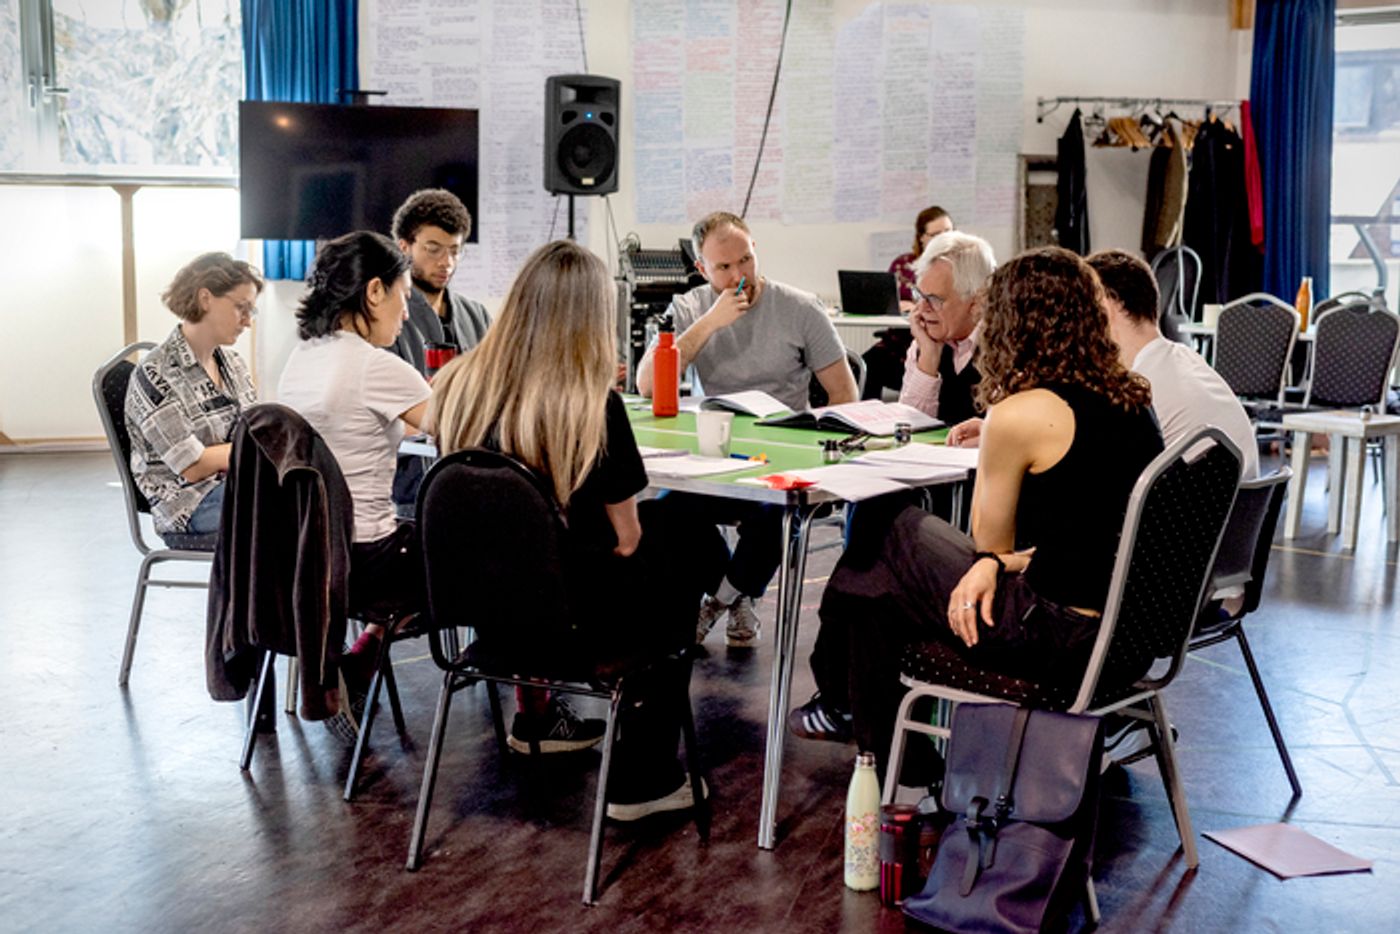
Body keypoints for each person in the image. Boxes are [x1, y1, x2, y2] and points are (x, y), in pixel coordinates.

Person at [792, 248, 1164, 786]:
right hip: (1126, 636)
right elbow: (1091, 531)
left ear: (1013, 324)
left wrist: (995, 559)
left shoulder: (1018, 414)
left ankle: (884, 755)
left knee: (883, 528)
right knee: (875, 596)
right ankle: (889, 761)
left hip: (1055, 635)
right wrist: (1004, 559)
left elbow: (985, 543)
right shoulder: (1132, 397)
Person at [432, 239, 725, 817]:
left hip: (485, 624)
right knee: (684, 535)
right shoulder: (593, 406)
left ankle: (535, 714)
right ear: (593, 318)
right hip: (573, 629)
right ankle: (643, 777)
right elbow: (628, 540)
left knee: (669, 539)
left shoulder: (457, 388)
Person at [636, 211, 857, 647]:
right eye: (724, 267)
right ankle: (737, 593)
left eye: (746, 260)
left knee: (775, 512)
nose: (740, 275)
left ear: (756, 251)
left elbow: (844, 395)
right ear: (702, 269)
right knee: (661, 515)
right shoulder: (689, 308)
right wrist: (711, 322)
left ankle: (719, 600)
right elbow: (646, 384)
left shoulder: (800, 308)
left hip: (781, 455)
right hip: (714, 457)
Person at [277, 232, 450, 738]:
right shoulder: (375, 365)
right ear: (375, 292)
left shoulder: (301, 360)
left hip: (310, 559)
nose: (404, 312)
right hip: (368, 561)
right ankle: (536, 715)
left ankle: (361, 657)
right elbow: (462, 425)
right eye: (402, 295)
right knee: (489, 553)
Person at [125, 252, 262, 541]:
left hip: (232, 485)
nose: (248, 321)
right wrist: (262, 452)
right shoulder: (154, 374)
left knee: (306, 489)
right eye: (241, 308)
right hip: (188, 505)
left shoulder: (233, 364)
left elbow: (252, 434)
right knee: (293, 501)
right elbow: (194, 466)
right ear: (205, 299)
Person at [1089, 249, 1259, 478]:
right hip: (1238, 511)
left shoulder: (1138, 386)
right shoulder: (1187, 360)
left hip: (1191, 510)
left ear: (1107, 307)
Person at [388, 188, 493, 512]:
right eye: (432, 249)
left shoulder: (477, 315)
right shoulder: (386, 321)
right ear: (404, 246)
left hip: (476, 475)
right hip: (409, 488)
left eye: (454, 251)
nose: (445, 262)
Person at [896, 230, 995, 427]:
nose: (922, 308)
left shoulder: (1003, 348)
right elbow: (908, 428)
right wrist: (929, 358)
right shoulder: (923, 344)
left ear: (976, 302)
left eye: (934, 299)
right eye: (920, 295)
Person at [862, 206, 955, 400]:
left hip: (944, 340)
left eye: (948, 232)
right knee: (868, 362)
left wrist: (920, 306)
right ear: (921, 237)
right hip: (901, 338)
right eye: (936, 234)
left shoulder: (958, 266)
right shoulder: (903, 264)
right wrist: (897, 307)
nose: (944, 238)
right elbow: (885, 301)